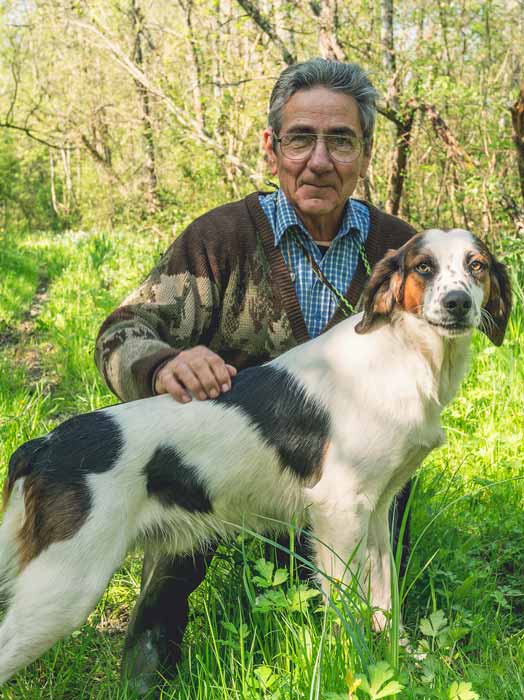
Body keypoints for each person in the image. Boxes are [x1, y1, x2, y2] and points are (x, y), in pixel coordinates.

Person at [94, 58, 416, 694]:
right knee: (175, 493)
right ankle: (149, 663)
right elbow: (121, 332)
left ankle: (373, 661)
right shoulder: (221, 239)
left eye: (340, 140)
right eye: (300, 138)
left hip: (349, 472)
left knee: (380, 525)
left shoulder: (406, 253)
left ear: (365, 153)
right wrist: (164, 364)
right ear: (272, 149)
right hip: (229, 464)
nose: (319, 160)